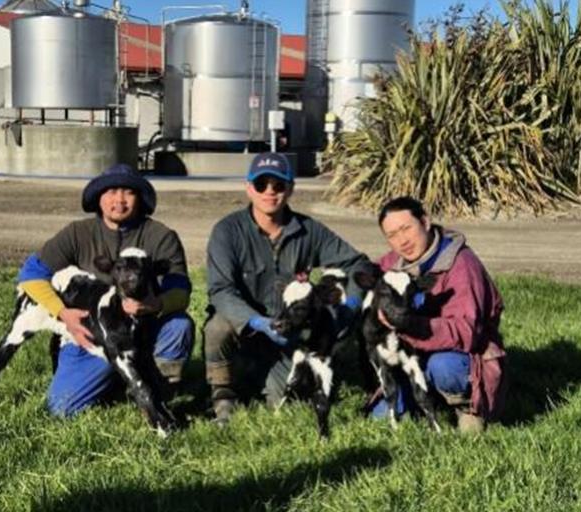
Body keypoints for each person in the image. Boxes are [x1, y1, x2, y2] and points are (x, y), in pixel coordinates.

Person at [17, 163, 194, 417]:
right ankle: (116, 381)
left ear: (140, 198)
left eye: (128, 192)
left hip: (143, 332)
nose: (119, 200)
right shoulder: (77, 234)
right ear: (98, 198)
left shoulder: (161, 236)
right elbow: (31, 275)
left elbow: (180, 290)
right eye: (110, 192)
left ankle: (159, 396)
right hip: (91, 337)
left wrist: (155, 304)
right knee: (61, 409)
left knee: (178, 326)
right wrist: (62, 313)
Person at [204, 152, 368, 424]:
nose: (270, 192)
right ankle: (223, 395)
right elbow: (220, 290)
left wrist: (350, 304)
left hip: (289, 336)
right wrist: (257, 322)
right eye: (261, 185)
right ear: (249, 188)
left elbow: (357, 263)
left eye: (278, 185)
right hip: (245, 329)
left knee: (287, 404)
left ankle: (257, 379)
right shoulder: (227, 231)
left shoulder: (308, 230)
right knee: (217, 327)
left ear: (291, 188)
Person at [371, 196, 507, 433]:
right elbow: (365, 274)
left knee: (444, 367)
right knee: (381, 418)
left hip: (464, 354)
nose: (402, 241)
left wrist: (411, 325)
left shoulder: (461, 264)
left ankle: (467, 405)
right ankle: (426, 397)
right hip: (413, 358)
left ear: (425, 222)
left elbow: (466, 332)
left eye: (406, 228)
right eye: (392, 235)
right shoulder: (395, 263)